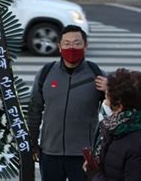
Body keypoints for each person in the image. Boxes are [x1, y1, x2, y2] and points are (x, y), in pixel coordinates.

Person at [27, 25, 108, 181]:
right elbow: (34, 110)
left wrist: (109, 90)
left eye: (77, 43)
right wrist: (33, 143)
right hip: (50, 153)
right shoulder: (46, 73)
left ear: (85, 45)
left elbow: (114, 111)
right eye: (67, 43)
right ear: (59, 47)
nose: (72, 48)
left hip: (84, 155)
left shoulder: (97, 74)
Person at [85, 68, 141, 181]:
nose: (105, 102)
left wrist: (94, 176)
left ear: (120, 105)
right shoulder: (118, 127)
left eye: (107, 96)